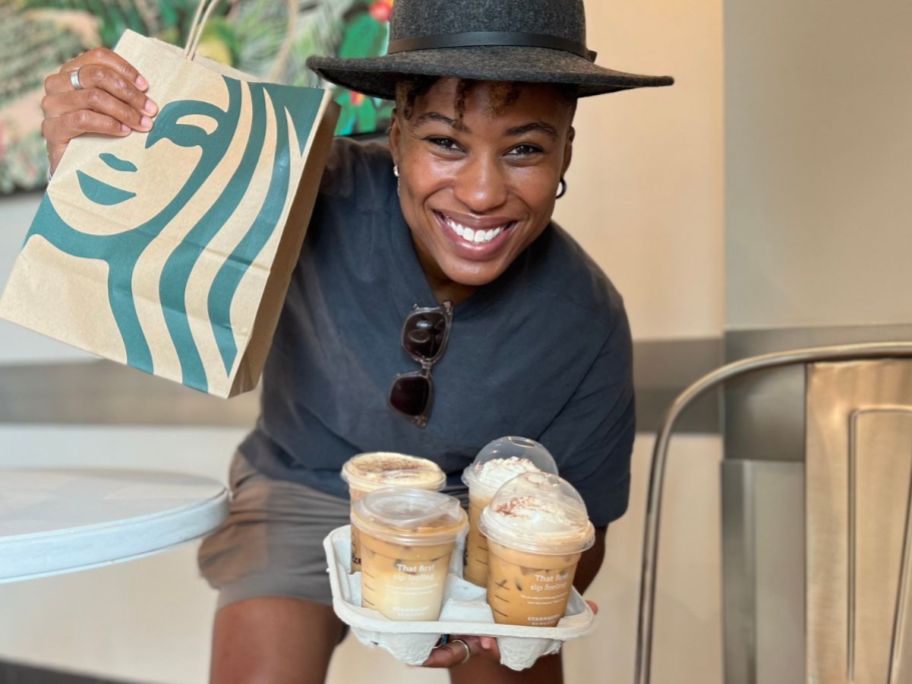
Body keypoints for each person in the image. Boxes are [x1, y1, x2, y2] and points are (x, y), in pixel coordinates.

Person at [40, 0, 672, 681]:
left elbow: (581, 532)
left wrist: (491, 615)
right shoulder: (300, 190)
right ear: (396, 136)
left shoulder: (589, 320)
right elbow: (149, 230)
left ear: (564, 153)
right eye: (446, 143)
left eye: (524, 149)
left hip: (481, 515)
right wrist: (90, 151)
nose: (483, 192)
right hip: (302, 484)